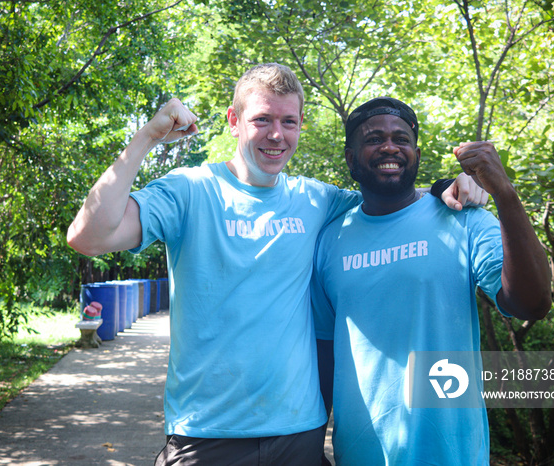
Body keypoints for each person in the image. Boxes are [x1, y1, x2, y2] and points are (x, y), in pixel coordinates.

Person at [67, 64, 486, 465]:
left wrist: (447, 186)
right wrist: (148, 137)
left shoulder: (317, 200)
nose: (276, 135)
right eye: (262, 119)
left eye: (289, 122)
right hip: (207, 433)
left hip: (298, 434)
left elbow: (390, 191)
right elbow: (89, 236)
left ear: (301, 125)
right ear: (234, 119)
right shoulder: (190, 191)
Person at [311, 97, 551, 465]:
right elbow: (325, 352)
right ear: (350, 157)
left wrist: (504, 193)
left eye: (401, 139)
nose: (390, 146)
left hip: (453, 454)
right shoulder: (329, 241)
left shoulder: (464, 220)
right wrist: (313, 448)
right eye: (374, 139)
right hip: (359, 454)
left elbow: (531, 304)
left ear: (416, 153)